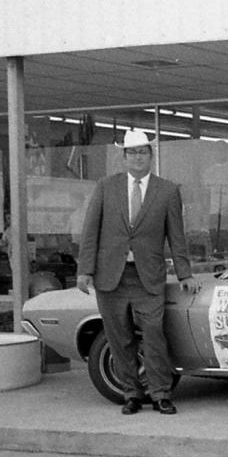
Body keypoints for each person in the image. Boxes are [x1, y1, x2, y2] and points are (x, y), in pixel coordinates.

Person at [76, 128, 196, 415]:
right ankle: (131, 394)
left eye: (143, 152)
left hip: (148, 278)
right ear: (124, 157)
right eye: (132, 152)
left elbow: (176, 237)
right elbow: (90, 230)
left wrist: (185, 273)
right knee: (120, 338)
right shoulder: (106, 187)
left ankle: (160, 394)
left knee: (154, 335)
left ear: (151, 156)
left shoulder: (167, 191)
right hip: (110, 277)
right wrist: (85, 270)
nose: (138, 157)